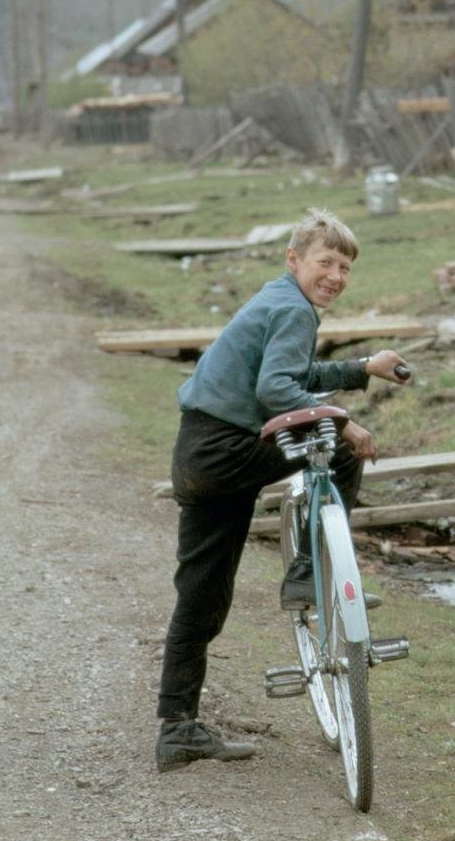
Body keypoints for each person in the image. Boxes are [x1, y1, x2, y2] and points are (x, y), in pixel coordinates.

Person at [154, 207, 405, 774]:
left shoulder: (277, 299)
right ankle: (310, 576)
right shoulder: (294, 309)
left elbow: (293, 373)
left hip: (199, 452)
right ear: (294, 259)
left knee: (202, 595)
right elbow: (276, 389)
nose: (336, 276)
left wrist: (364, 367)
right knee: (338, 449)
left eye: (345, 267)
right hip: (229, 450)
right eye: (325, 262)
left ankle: (177, 730)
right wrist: (343, 421)